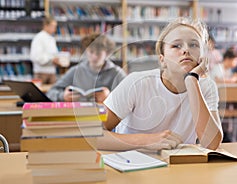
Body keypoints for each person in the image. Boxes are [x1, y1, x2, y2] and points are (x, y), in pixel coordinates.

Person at [98, 17, 223, 151]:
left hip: (179, 167)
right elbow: (93, 136)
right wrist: (147, 141)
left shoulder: (206, 86)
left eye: (193, 45)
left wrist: (192, 81)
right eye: (176, 46)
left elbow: (211, 144)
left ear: (202, 57)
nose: (186, 50)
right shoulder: (136, 83)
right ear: (162, 60)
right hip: (132, 163)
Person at [46, 33, 126, 103]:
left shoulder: (117, 73)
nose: (94, 57)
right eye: (91, 52)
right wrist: (62, 95)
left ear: (107, 53)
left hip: (106, 117)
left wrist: (110, 98)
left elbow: (129, 98)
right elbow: (50, 93)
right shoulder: (76, 70)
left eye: (98, 53)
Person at [30, 16, 61, 84]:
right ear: (46, 26)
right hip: (41, 73)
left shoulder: (52, 39)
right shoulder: (39, 38)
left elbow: (53, 54)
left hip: (52, 72)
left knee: (52, 93)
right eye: (53, 26)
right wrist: (51, 60)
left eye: (55, 26)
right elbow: (36, 57)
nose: (55, 29)